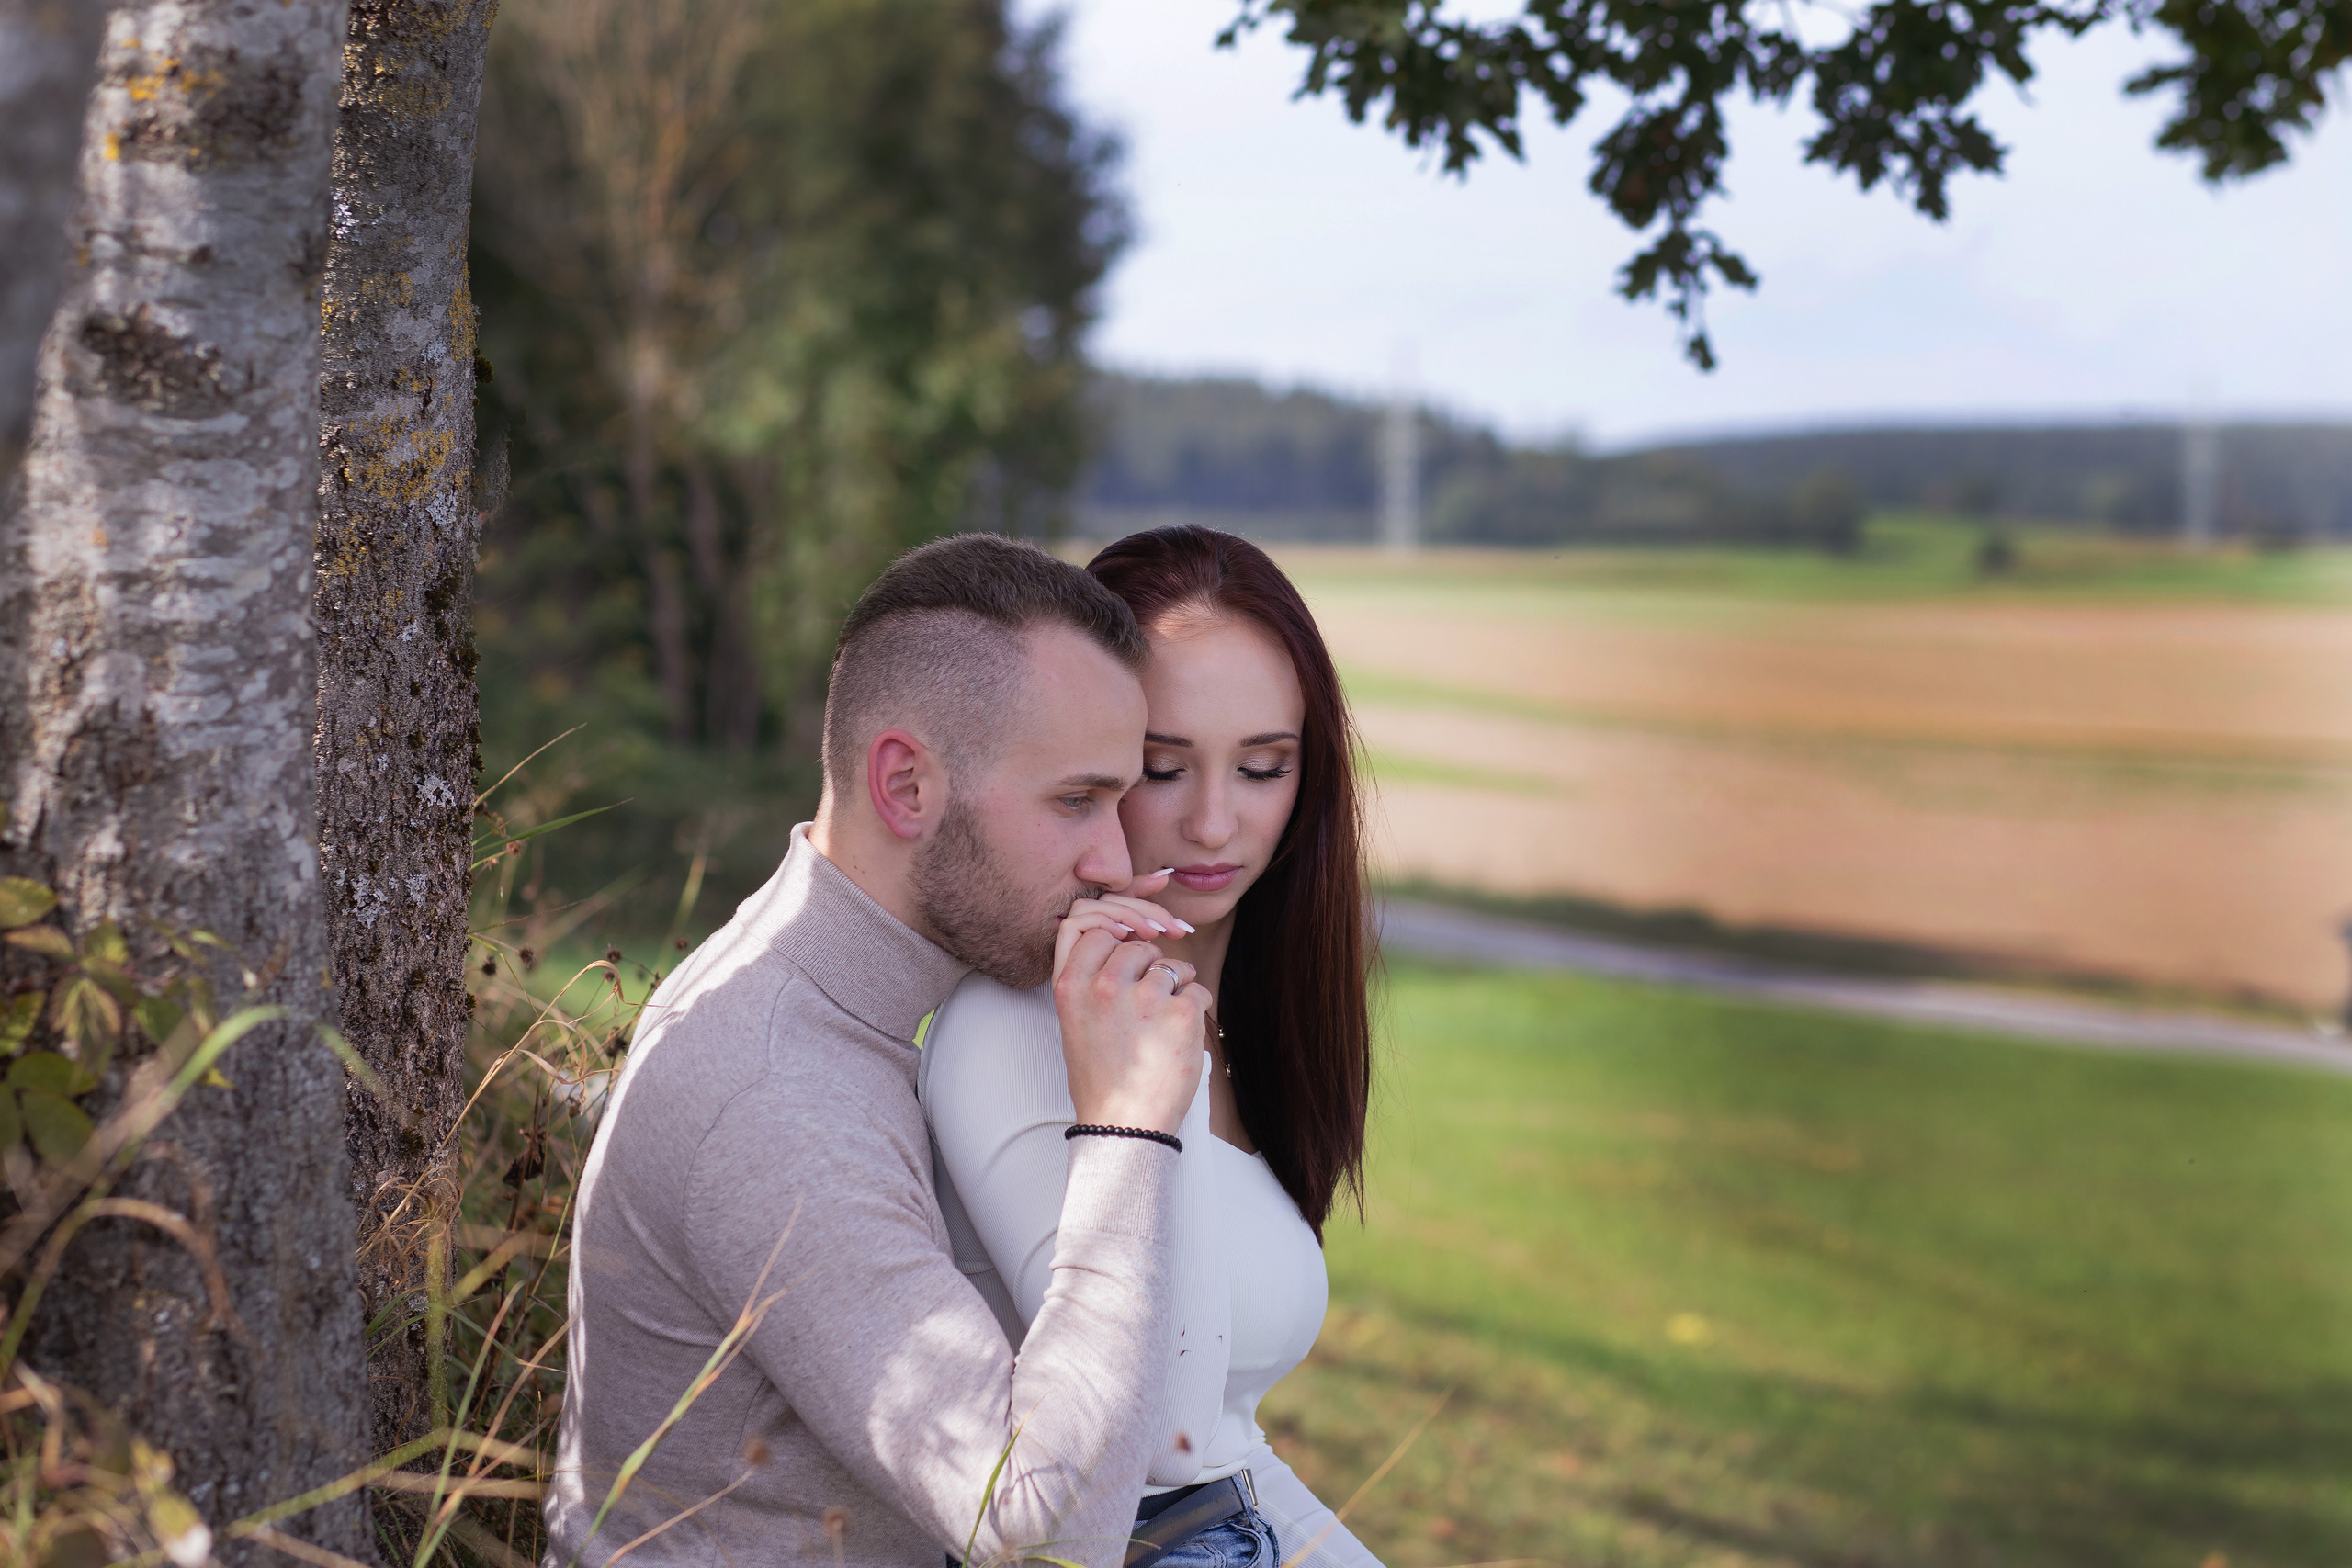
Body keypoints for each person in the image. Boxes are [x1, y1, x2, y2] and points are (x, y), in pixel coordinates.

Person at [546, 534, 1216, 1568]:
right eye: (1075, 801)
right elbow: (1040, 1522)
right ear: (905, 786)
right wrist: (1129, 1125)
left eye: (1120, 801)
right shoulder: (772, 1093)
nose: (1115, 859)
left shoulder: (846, 996)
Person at [921, 525, 1384, 1568]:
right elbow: (1164, 1447)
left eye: (1264, 767)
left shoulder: (1223, 1012)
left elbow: (1233, 1451)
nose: (1217, 825)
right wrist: (1149, 1096)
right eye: (1164, 769)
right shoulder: (1017, 1029)